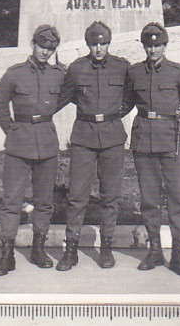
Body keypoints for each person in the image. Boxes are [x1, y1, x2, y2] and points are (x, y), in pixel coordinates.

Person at [55, 21, 130, 271]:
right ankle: (71, 250)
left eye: (103, 43)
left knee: (111, 197)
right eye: (94, 44)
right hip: (84, 138)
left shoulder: (122, 68)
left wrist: (115, 114)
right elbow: (63, 98)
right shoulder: (77, 69)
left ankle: (106, 248)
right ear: (88, 44)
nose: (99, 48)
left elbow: (130, 98)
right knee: (77, 196)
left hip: (112, 137)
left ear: (109, 43)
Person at [0, 25, 65, 276]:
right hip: (18, 145)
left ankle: (38, 249)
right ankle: (6, 255)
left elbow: (64, 98)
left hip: (47, 142)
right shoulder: (14, 74)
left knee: (44, 201)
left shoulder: (59, 75)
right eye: (42, 46)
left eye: (50, 48)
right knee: (12, 201)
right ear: (32, 44)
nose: (45, 51)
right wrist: (12, 130)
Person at [125, 22, 180, 276]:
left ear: (165, 46)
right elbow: (125, 103)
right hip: (144, 140)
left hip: (173, 140)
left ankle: (177, 254)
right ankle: (155, 250)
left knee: (177, 199)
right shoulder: (135, 73)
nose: (153, 49)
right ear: (144, 46)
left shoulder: (178, 72)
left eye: (157, 45)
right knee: (149, 200)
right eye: (149, 45)